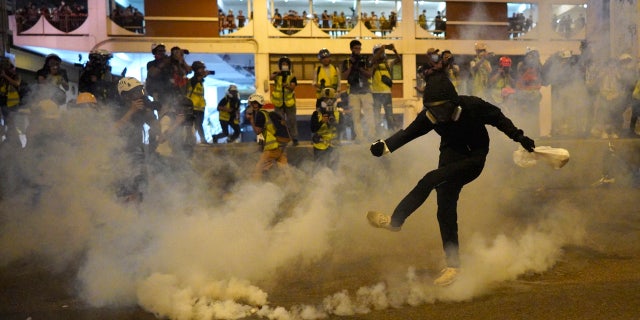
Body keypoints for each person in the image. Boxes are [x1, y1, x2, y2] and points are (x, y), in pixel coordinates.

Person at [366, 55, 536, 287]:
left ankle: (396, 221)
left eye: (442, 108)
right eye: (433, 110)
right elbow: (407, 134)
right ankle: (454, 265)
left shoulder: (472, 106)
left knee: (429, 179)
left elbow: (498, 118)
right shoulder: (430, 116)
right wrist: (383, 147)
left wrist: (520, 137)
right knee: (444, 207)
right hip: (450, 154)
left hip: (474, 158)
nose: (439, 116)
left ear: (452, 102)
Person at [113, 77, 162, 203]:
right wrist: (131, 111)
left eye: (141, 92)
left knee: (140, 191)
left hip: (140, 155)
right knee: (125, 193)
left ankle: (137, 218)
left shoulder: (144, 110)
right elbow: (112, 131)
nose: (140, 96)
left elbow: (157, 132)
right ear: (126, 96)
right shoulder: (118, 110)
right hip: (122, 158)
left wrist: (151, 114)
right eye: (136, 93)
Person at [245, 93, 290, 180]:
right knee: (284, 168)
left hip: (272, 146)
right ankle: (293, 188)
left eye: (252, 103)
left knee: (259, 167)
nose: (251, 106)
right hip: (281, 144)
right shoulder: (269, 114)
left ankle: (254, 188)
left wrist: (251, 120)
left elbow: (258, 131)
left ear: (256, 104)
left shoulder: (260, 115)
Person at [341, 40, 374, 143]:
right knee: (356, 117)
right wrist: (351, 65)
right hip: (353, 93)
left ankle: (371, 136)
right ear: (351, 49)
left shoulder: (365, 59)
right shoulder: (346, 61)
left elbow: (369, 74)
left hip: (366, 91)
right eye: (355, 48)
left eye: (359, 48)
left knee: (369, 115)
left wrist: (360, 68)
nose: (358, 51)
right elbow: (344, 76)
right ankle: (360, 137)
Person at [371, 43, 400, 133]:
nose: (381, 53)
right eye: (378, 52)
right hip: (375, 93)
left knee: (389, 115)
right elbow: (373, 60)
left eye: (381, 51)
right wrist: (382, 49)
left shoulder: (388, 63)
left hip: (387, 93)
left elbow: (399, 59)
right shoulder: (372, 63)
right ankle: (378, 133)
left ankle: (391, 133)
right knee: (376, 115)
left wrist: (394, 50)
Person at [515, 47, 543, 137]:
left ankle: (535, 134)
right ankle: (524, 134)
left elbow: (539, 79)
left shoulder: (538, 66)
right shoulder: (522, 65)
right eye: (529, 56)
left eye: (532, 56)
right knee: (524, 114)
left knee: (534, 114)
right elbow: (520, 79)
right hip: (524, 93)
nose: (530, 58)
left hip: (534, 94)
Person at [270, 56, 299, 146]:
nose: (285, 66)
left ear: (289, 66)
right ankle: (281, 139)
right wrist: (278, 73)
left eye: (286, 64)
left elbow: (293, 87)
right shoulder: (277, 74)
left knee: (292, 121)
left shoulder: (292, 76)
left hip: (289, 104)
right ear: (280, 65)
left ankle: (294, 138)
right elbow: (270, 77)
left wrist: (286, 85)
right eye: (283, 64)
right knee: (279, 123)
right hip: (278, 103)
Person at [311, 88, 341, 170]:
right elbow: (313, 129)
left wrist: (335, 124)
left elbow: (343, 129)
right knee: (319, 169)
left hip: (334, 146)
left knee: (334, 169)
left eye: (331, 99)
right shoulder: (316, 114)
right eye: (326, 99)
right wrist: (321, 122)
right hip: (320, 146)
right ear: (321, 100)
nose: (329, 101)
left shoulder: (338, 114)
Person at [186, 61, 211, 144]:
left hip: (200, 107)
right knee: (197, 124)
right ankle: (202, 140)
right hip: (193, 106)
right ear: (197, 70)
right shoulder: (193, 81)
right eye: (202, 69)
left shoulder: (200, 82)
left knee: (197, 125)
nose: (204, 70)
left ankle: (190, 140)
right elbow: (196, 80)